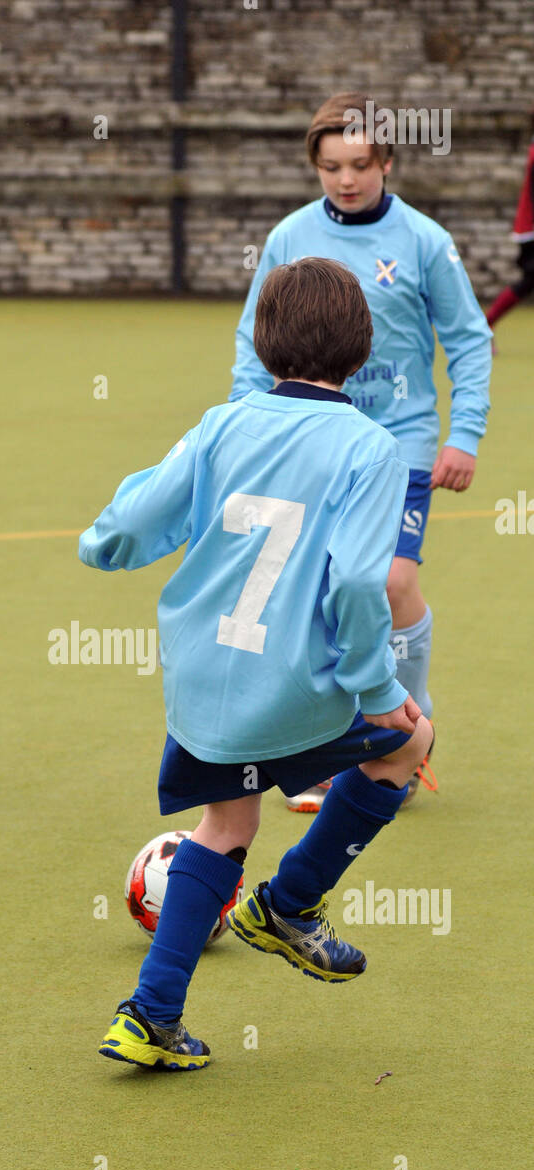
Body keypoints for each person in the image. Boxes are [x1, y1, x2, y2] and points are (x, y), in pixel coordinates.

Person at [80, 258, 432, 1071]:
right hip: (297, 688)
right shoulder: (370, 447)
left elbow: (130, 521)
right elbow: (352, 580)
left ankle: (148, 1017)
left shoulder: (221, 422)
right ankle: (287, 906)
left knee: (226, 823)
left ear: (264, 343)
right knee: (409, 746)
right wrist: (379, 694)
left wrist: (100, 545)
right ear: (360, 347)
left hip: (202, 684)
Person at [231, 92, 491, 812]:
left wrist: (461, 434)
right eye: (329, 167)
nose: (344, 181)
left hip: (397, 444)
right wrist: (242, 425)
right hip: (313, 437)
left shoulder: (423, 241)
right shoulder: (288, 238)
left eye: (358, 165)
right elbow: (254, 339)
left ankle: (403, 736)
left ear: (386, 161)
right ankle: (330, 749)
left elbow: (469, 340)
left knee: (386, 585)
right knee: (316, 594)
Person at [485, 106, 534, 330]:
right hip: (531, 230)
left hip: (527, 229)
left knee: (527, 283)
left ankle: (486, 324)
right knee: (527, 282)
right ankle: (485, 325)